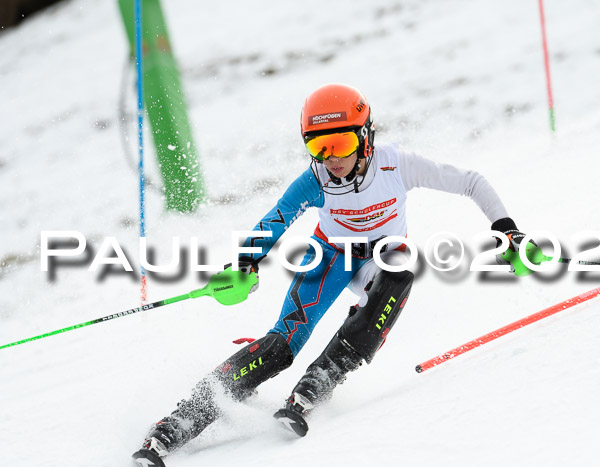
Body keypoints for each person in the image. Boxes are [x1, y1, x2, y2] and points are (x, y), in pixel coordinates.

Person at [132, 83, 534, 466]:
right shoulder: (316, 180)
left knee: (398, 270)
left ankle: (326, 373)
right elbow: (275, 220)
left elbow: (470, 181)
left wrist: (505, 228)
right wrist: (245, 262)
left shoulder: (397, 165)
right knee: (280, 346)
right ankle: (184, 418)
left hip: (380, 257)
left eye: (341, 143)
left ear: (366, 136)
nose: (332, 159)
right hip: (329, 259)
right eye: (318, 147)